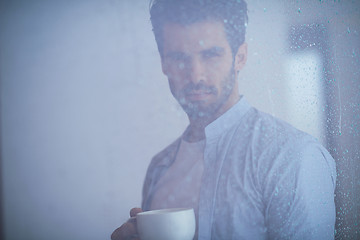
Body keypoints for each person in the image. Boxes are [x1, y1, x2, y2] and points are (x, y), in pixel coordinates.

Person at [111, 0, 337, 239]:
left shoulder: (291, 157)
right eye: (179, 57)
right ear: (164, 63)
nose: (195, 74)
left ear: (240, 57)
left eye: (210, 55)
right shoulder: (159, 169)